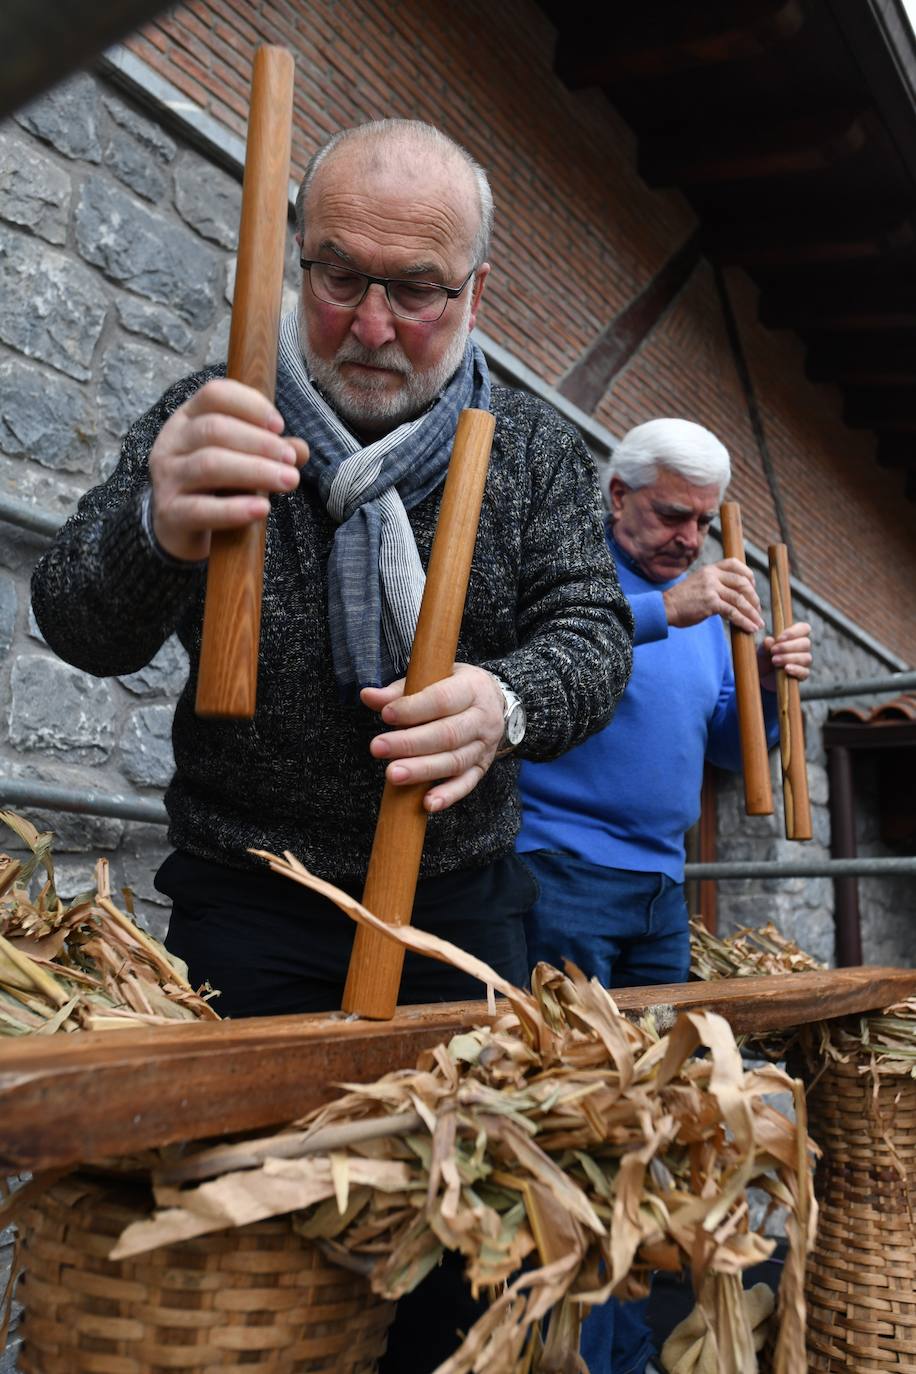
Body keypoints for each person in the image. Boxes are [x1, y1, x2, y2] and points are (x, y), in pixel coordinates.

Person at [30, 118, 633, 1371]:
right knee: (247, 1274)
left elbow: (594, 635)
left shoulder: (526, 450)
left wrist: (504, 701)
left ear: (476, 291)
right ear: (297, 259)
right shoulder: (213, 416)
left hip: (462, 916)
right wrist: (155, 523)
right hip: (245, 915)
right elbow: (77, 624)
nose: (368, 325)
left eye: (414, 291)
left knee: (459, 1276)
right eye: (339, 274)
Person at [516, 416, 813, 1374]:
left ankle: (622, 1343)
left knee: (648, 1125)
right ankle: (569, 1351)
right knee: (573, 1123)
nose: (691, 535)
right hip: (556, 872)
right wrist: (670, 604)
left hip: (658, 891)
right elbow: (544, 671)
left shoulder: (706, 599)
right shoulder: (575, 575)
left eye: (705, 520)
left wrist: (766, 687)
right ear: (617, 496)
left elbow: (728, 752)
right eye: (672, 514)